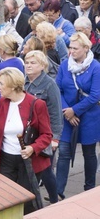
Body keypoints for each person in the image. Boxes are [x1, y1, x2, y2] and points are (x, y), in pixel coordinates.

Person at [0, 67, 52, 214]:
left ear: (13, 85)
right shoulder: (3, 102)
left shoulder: (37, 104)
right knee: (4, 198)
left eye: (1, 84)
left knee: (27, 203)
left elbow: (47, 135)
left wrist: (32, 148)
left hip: (28, 161)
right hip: (6, 159)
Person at [55, 32, 100, 199]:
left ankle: (89, 189)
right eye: (70, 47)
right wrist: (67, 111)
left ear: (86, 48)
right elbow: (57, 90)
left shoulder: (95, 67)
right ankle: (58, 191)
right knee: (64, 152)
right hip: (67, 115)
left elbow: (96, 95)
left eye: (75, 48)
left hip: (89, 117)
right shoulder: (65, 65)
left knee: (89, 153)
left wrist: (76, 110)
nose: (71, 51)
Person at [23, 50, 62, 204]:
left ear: (42, 66)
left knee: (44, 170)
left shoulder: (50, 84)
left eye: (33, 63)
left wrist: (55, 138)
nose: (28, 65)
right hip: (28, 134)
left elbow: (56, 112)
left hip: (45, 135)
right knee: (34, 170)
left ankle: (53, 199)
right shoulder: (23, 82)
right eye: (27, 62)